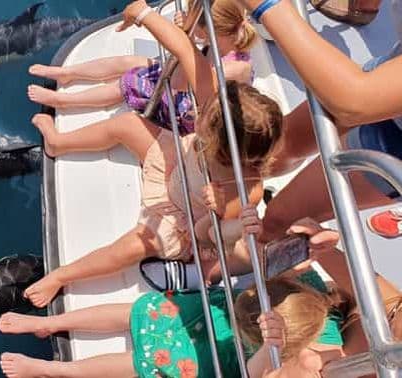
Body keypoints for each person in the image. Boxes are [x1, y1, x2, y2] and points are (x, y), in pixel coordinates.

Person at [22, 0, 284, 309]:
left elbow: (223, 225)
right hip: (175, 162)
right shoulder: (214, 103)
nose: (198, 116)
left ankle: (62, 276)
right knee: (128, 124)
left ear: (222, 148)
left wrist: (223, 207)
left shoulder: (247, 182)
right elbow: (186, 51)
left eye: (202, 122)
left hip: (182, 214)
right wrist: (144, 15)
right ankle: (59, 143)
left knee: (135, 245)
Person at [0, 219, 348, 378]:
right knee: (141, 310)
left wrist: (270, 349)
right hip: (215, 312)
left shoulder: (303, 354)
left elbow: (252, 375)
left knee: (142, 365)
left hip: (215, 361)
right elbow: (285, 256)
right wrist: (303, 237)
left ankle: (53, 371)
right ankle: (49, 324)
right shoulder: (306, 282)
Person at [232, 0, 402, 239]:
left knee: (279, 218)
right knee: (278, 145)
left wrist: (265, 5)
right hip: (390, 70)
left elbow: (355, 100)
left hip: (394, 145)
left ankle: (246, 257)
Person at [27, 0, 256, 135]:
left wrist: (182, 37)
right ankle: (68, 74)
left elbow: (185, 82)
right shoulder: (221, 43)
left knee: (128, 83)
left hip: (189, 108)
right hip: (182, 76)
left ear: (211, 33)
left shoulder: (236, 68)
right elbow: (190, 57)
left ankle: (63, 101)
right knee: (127, 62)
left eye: (197, 26)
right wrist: (186, 28)